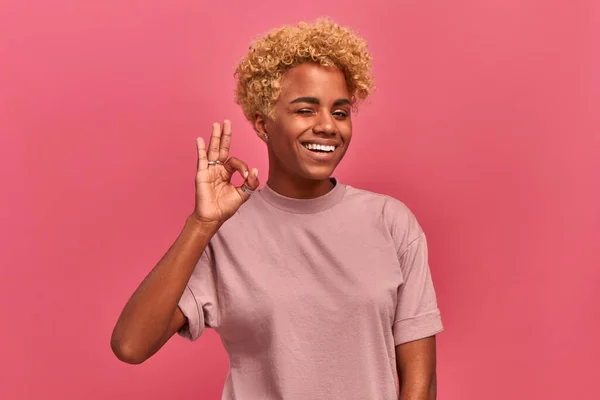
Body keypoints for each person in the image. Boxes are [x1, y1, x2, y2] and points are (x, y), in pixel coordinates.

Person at [111, 17, 443, 400]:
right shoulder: (226, 233)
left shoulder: (391, 222)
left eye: (339, 111)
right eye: (305, 110)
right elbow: (131, 345)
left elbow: (421, 382)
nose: (327, 126)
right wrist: (202, 224)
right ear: (262, 123)